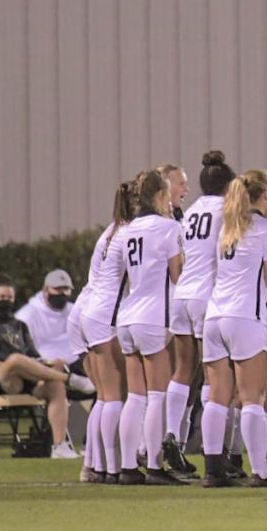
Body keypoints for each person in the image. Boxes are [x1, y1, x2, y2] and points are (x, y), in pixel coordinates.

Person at [201, 169, 267, 488]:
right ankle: (261, 471)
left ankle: (212, 469)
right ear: (264, 196)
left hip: (214, 318)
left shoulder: (226, 227)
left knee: (218, 398)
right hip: (246, 318)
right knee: (251, 398)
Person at [108, 169, 185, 485]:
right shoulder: (169, 228)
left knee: (135, 396)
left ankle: (128, 466)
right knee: (156, 395)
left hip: (127, 317)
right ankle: (154, 465)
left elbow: (118, 272)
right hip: (152, 318)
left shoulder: (124, 231)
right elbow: (179, 274)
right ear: (160, 195)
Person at [166, 150, 234, 476]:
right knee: (213, 377)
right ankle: (213, 452)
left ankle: (173, 436)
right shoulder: (227, 211)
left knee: (183, 371)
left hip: (182, 294)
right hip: (209, 296)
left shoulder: (189, 213)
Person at [0, 274, 76, 459]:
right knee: (15, 360)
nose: (6, 301)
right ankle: (71, 379)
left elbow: (33, 357)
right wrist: (6, 364)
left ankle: (59, 446)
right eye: (2, 297)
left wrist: (50, 364)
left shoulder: (20, 325)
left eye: (9, 298)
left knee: (55, 386)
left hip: (24, 380)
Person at [70, 184, 135, 483]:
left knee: (104, 396)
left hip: (86, 311)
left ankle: (93, 465)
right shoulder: (130, 233)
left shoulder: (110, 230)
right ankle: (111, 468)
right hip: (105, 314)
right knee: (114, 396)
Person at [14, 269, 94, 393]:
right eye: (57, 289)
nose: (62, 293)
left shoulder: (75, 311)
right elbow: (23, 351)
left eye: (66, 289)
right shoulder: (27, 315)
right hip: (47, 370)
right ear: (46, 290)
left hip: (79, 366)